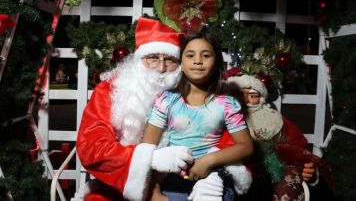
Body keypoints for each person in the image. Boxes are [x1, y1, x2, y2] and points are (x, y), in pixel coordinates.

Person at [76, 17, 194, 201]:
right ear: (139, 60)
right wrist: (150, 159)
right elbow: (91, 148)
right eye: (153, 58)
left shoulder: (188, 91)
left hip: (176, 182)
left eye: (170, 59)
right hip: (119, 184)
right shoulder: (111, 90)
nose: (161, 68)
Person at [142, 30, 254, 201]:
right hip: (173, 181)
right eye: (190, 55)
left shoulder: (226, 104)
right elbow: (148, 149)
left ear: (217, 62)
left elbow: (246, 146)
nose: (198, 61)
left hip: (213, 179)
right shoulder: (166, 101)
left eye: (206, 55)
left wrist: (208, 161)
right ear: (181, 62)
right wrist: (154, 191)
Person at [223, 69, 325, 201]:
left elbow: (299, 146)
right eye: (239, 95)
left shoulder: (275, 120)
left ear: (261, 98)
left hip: (276, 171)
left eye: (252, 95)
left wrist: (308, 168)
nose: (246, 100)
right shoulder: (221, 119)